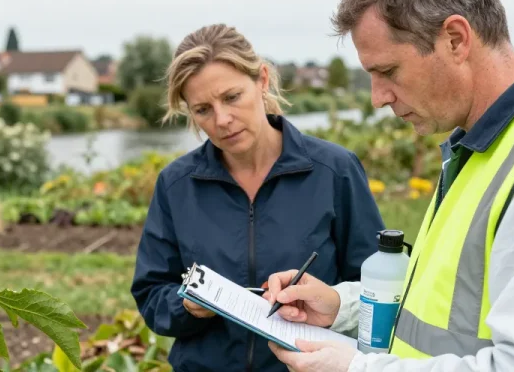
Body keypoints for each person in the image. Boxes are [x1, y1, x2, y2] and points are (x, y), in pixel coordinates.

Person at [265, 0, 514, 371]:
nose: (377, 98)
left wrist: (357, 368)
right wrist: (344, 308)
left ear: (455, 39)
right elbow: (447, 300)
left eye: (388, 71)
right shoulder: (479, 148)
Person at [130, 23, 385, 372]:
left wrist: (329, 305)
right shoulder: (176, 185)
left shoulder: (334, 170)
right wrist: (187, 307)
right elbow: (151, 293)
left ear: (262, 80)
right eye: (203, 109)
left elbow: (376, 288)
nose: (222, 120)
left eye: (232, 97)